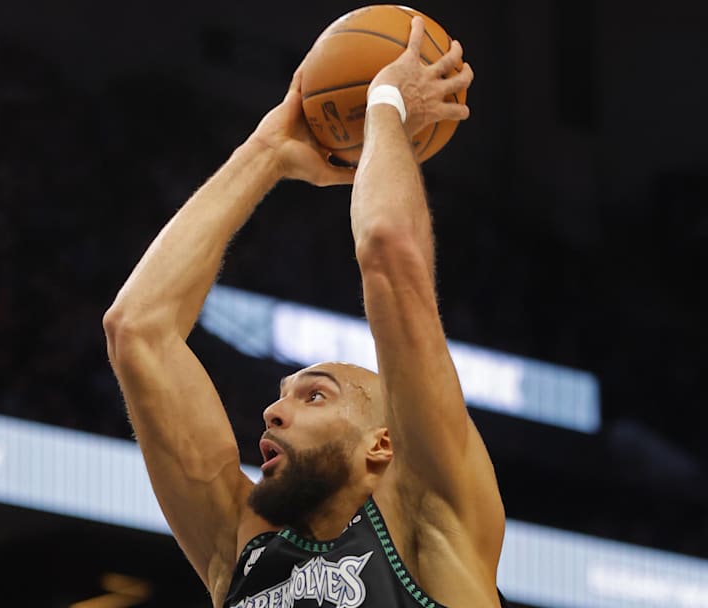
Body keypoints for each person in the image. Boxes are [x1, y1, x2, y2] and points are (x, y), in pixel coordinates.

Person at [103, 16, 505, 608]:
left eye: (314, 395)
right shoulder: (239, 546)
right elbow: (136, 329)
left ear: (381, 444)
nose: (271, 412)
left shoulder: (432, 521)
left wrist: (385, 107)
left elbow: (390, 252)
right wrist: (265, 151)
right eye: (287, 395)